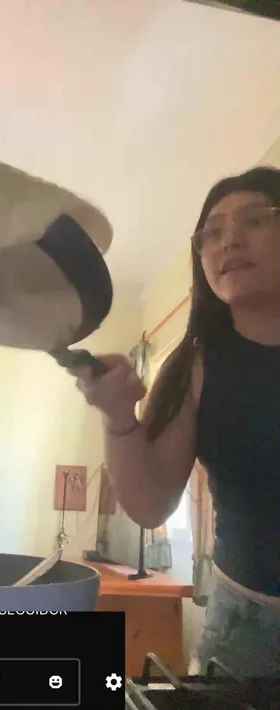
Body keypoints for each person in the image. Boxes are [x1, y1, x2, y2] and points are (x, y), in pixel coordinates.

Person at [69, 166, 280, 678]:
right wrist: (118, 416)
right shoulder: (194, 366)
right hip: (243, 628)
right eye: (212, 232)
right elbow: (149, 504)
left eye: (255, 219)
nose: (229, 240)